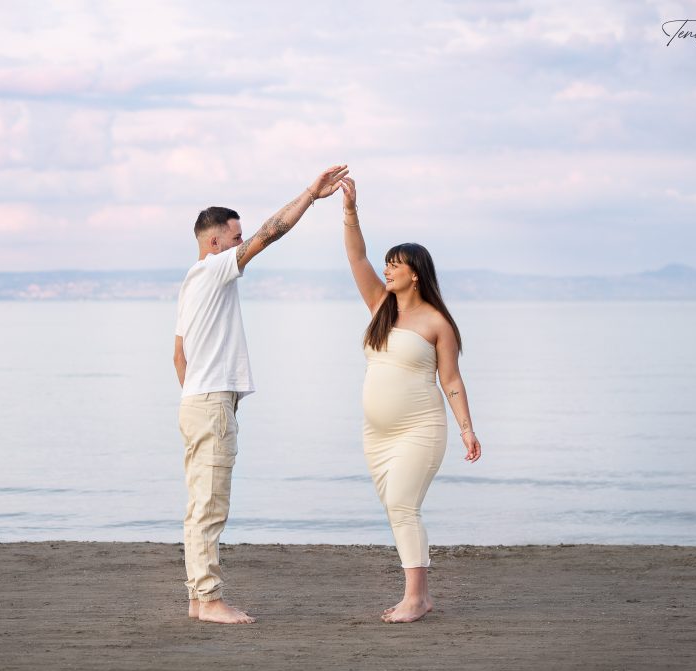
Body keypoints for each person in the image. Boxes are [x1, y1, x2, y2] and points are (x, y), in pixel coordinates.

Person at [173, 165, 349, 625]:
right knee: (210, 507)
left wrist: (199, 393)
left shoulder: (191, 281)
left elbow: (178, 356)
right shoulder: (215, 269)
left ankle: (198, 599)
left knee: (199, 506)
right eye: (235, 238)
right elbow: (272, 233)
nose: (242, 244)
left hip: (197, 401)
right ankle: (210, 601)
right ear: (215, 242)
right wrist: (310, 194)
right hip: (210, 402)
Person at [339, 176, 482, 623]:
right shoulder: (380, 307)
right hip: (376, 434)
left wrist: (467, 429)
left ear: (415, 273)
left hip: (420, 429)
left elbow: (451, 380)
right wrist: (350, 212)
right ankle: (420, 595)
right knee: (396, 509)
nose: (386, 270)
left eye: (394, 265)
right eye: (386, 264)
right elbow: (356, 257)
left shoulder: (438, 323)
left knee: (403, 506)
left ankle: (416, 598)